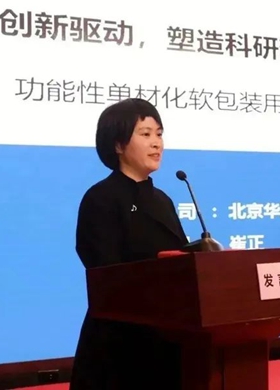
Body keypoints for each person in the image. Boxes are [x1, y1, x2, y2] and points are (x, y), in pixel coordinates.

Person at [69, 98, 189, 390]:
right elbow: (105, 270)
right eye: (145, 134)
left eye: (159, 134)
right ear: (118, 145)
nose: (156, 143)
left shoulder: (163, 200)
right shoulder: (100, 198)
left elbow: (183, 262)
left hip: (166, 335)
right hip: (118, 342)